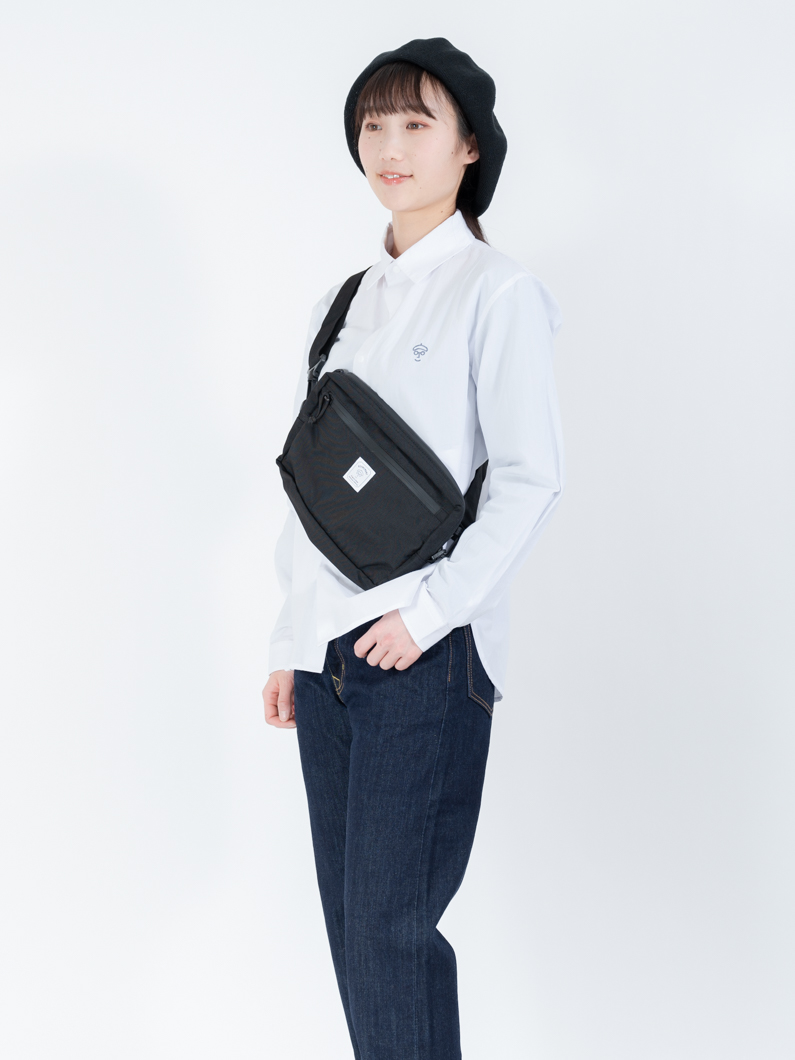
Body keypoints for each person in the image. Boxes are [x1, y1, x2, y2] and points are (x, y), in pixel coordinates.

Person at [261, 37, 565, 1060]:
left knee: (390, 935)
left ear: (469, 146)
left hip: (426, 655)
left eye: (416, 123)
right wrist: (292, 640)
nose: (389, 146)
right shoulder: (340, 303)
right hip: (331, 658)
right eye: (372, 124)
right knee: (358, 941)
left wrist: (428, 616)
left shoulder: (496, 291)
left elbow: (528, 478)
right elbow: (312, 489)